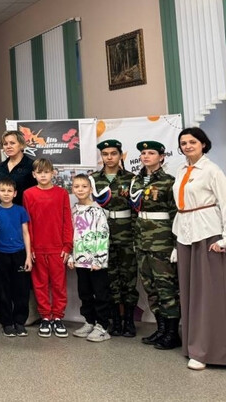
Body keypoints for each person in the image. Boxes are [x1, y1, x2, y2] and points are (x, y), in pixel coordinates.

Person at [172, 127, 226, 370]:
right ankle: (193, 346)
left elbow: (225, 203)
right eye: (183, 143)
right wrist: (176, 241)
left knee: (208, 295)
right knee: (188, 292)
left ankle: (207, 351)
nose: (187, 146)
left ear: (203, 144)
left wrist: (225, 238)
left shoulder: (212, 171)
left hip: (208, 235)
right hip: (185, 236)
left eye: (192, 142)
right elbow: (181, 208)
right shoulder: (181, 170)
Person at [129, 141, 180, 351]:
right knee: (150, 288)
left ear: (161, 157)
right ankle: (161, 329)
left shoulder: (169, 181)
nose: (146, 156)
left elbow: (176, 214)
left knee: (166, 288)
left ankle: (172, 334)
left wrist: (176, 244)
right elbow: (135, 212)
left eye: (151, 153)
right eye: (143, 153)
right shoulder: (136, 180)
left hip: (162, 242)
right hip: (142, 241)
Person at [90, 139, 137, 337]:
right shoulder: (94, 179)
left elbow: (136, 209)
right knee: (109, 279)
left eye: (113, 153)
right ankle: (115, 321)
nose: (109, 157)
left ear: (120, 155)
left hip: (126, 233)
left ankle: (129, 321)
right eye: (105, 154)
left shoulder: (131, 178)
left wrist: (136, 236)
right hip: (103, 235)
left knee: (129, 278)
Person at [23, 158, 72, 338]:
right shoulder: (28, 194)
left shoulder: (62, 193)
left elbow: (67, 221)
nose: (43, 175)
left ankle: (58, 317)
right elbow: (28, 224)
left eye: (46, 172)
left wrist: (67, 246)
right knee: (40, 285)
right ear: (34, 175)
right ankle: (45, 317)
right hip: (38, 249)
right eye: (39, 172)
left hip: (57, 249)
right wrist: (31, 249)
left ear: (53, 173)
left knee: (59, 285)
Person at [68, 175, 111, 342]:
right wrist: (71, 255)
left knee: (100, 293)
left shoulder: (97, 211)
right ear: (72, 189)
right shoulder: (73, 210)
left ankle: (102, 326)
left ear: (91, 189)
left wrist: (99, 260)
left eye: (84, 186)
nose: (80, 189)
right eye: (77, 186)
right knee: (84, 293)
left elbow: (103, 236)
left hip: (96, 262)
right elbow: (70, 234)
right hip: (80, 260)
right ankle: (89, 321)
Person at [0, 177, 32, 337]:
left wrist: (28, 256)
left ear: (15, 193)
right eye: (3, 190)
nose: (6, 193)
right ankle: (7, 323)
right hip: (0, 254)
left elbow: (26, 233)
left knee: (21, 290)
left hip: (19, 253)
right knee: (2, 291)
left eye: (9, 191)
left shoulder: (20, 211)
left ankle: (20, 322)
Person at [0, 130, 37, 206]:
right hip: (4, 209)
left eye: (12, 143)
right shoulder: (0, 167)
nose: (8, 146)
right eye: (5, 144)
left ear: (21, 145)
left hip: (25, 209)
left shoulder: (32, 165)